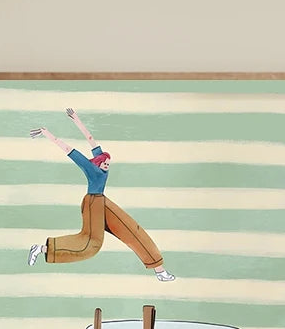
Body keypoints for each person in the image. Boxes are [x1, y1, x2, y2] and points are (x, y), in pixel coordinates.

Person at [27, 108, 175, 282]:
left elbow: (90, 139)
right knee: (90, 244)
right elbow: (68, 149)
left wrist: (76, 119)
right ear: (98, 163)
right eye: (104, 163)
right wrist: (48, 134)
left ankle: (159, 270)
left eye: (108, 162)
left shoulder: (100, 159)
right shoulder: (91, 168)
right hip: (92, 204)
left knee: (132, 229)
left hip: (102, 201)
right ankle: (41, 249)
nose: (106, 165)